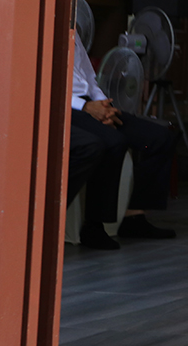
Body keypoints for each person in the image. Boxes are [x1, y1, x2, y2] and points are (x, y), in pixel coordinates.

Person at [68, 22, 177, 250]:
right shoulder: (42, 27)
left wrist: (103, 105)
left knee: (159, 138)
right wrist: (86, 107)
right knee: (113, 142)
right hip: (69, 107)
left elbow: (89, 78)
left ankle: (134, 217)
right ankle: (94, 226)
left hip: (93, 104)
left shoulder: (73, 30)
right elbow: (48, 84)